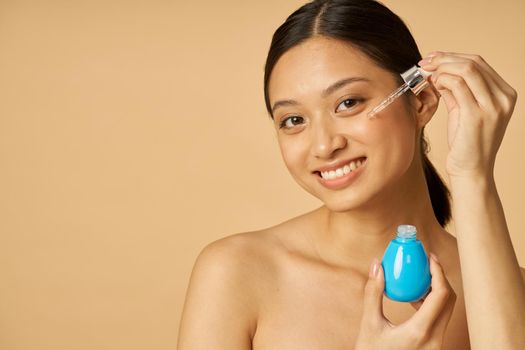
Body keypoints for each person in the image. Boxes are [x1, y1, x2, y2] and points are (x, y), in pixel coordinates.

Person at [177, 0, 525, 349]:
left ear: (421, 102)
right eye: (294, 120)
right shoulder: (237, 273)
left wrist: (472, 175)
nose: (324, 145)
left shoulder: (511, 295)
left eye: (348, 102)